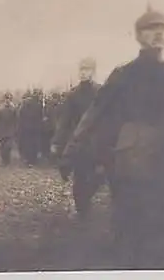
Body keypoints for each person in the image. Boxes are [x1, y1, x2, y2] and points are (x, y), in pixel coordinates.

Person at [60, 6, 164, 269]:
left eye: (162, 28)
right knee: (131, 221)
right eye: (150, 29)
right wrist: (70, 151)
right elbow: (94, 114)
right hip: (133, 159)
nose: (158, 33)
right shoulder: (125, 74)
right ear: (138, 36)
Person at [51, 57, 101, 219]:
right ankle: (81, 208)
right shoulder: (73, 95)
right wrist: (57, 142)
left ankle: (87, 198)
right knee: (80, 177)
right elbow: (64, 121)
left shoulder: (100, 92)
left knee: (97, 176)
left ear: (93, 72)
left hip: (97, 141)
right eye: (81, 69)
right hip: (79, 142)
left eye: (87, 69)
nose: (83, 72)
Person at [17, 89, 43, 166]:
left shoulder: (27, 102)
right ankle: (32, 160)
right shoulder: (38, 103)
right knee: (33, 144)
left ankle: (30, 160)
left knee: (29, 144)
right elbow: (40, 115)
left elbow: (20, 114)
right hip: (33, 127)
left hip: (28, 127)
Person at [0, 92, 18, 166]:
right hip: (1, 131)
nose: (8, 100)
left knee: (8, 147)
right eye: (6, 99)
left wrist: (15, 129)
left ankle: (7, 160)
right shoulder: (0, 109)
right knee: (2, 147)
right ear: (4, 99)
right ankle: (4, 160)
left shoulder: (14, 109)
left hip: (10, 131)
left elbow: (16, 120)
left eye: (9, 99)